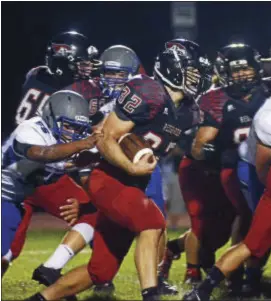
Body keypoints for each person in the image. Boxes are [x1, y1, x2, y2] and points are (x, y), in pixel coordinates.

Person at [25, 38, 211, 301]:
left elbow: (176, 144)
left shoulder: (189, 112)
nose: (198, 79)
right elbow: (105, 137)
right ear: (173, 68)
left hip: (133, 185)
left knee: (100, 271)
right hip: (110, 178)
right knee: (153, 221)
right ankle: (151, 295)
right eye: (192, 72)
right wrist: (130, 166)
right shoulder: (148, 91)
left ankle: (40, 299)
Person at [183, 50, 271, 301]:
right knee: (250, 221)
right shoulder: (216, 99)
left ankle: (249, 277)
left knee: (258, 225)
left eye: (246, 68)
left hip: (266, 167)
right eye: (235, 70)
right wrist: (206, 152)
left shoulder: (270, 91)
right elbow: (200, 145)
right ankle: (240, 278)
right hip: (240, 168)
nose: (242, 74)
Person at [1, 90, 99, 277]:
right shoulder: (31, 130)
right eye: (68, 127)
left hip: (16, 199)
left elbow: (89, 178)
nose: (73, 134)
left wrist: (86, 202)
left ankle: (51, 271)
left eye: (78, 129)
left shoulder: (78, 142)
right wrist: (82, 145)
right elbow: (43, 154)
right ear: (50, 117)